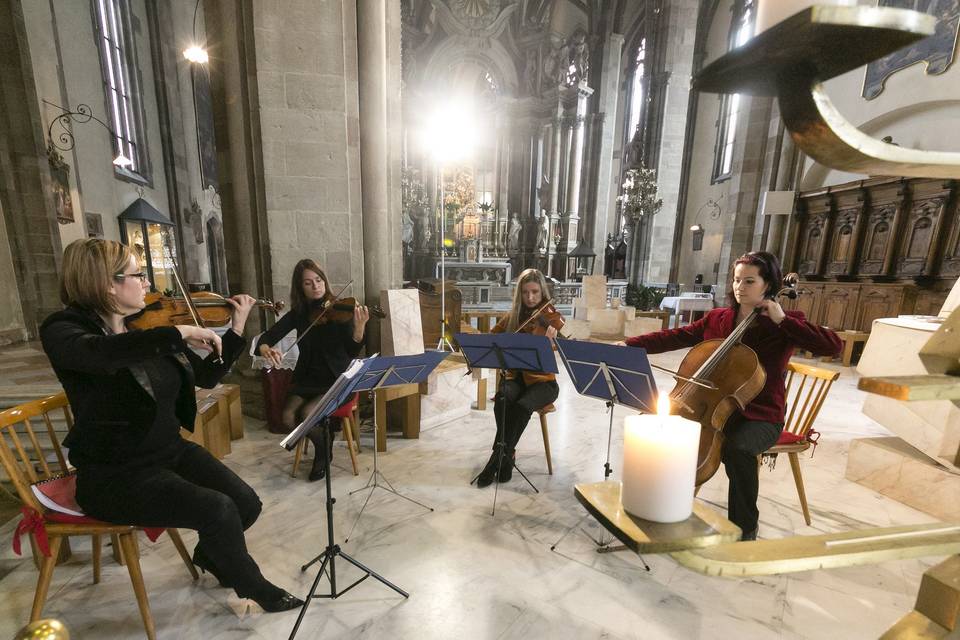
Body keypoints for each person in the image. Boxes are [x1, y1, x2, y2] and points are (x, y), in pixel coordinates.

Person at [40, 238, 303, 612]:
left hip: (168, 451)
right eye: (137, 275)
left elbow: (206, 376)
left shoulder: (143, 327)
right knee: (217, 509)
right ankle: (254, 586)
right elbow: (99, 355)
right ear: (106, 283)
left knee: (246, 503)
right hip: (115, 471)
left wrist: (237, 328)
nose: (147, 283)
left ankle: (211, 556)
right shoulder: (64, 329)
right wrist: (178, 333)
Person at [623, 252, 842, 540]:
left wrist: (783, 320)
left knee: (738, 450)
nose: (740, 286)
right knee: (656, 431)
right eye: (737, 280)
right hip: (710, 407)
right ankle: (659, 502)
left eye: (749, 281)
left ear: (768, 285)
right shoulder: (718, 318)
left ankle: (744, 527)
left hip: (760, 416)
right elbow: (675, 336)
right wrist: (629, 344)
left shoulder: (785, 322)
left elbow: (832, 346)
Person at [256, 259, 368, 481]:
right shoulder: (299, 314)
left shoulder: (341, 309)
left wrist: (360, 327)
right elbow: (268, 337)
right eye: (308, 283)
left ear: (324, 282)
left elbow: (352, 350)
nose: (316, 286)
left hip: (336, 379)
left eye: (318, 280)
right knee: (287, 418)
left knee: (308, 413)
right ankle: (324, 442)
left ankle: (321, 454)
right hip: (308, 378)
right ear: (301, 288)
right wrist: (266, 349)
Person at [476, 268, 562, 488]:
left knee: (523, 407)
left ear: (542, 292)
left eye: (535, 292)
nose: (530, 297)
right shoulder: (513, 317)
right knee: (503, 398)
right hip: (515, 378)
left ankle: (497, 458)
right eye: (525, 293)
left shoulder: (550, 317)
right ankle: (507, 455)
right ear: (520, 294)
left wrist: (553, 343)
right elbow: (491, 340)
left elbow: (563, 350)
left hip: (543, 383)